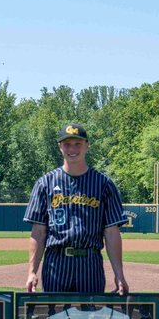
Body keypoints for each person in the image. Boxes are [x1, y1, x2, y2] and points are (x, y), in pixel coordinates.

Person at [24, 123, 129, 294]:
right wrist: (31, 272)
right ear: (60, 147)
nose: (72, 149)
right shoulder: (45, 183)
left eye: (77, 144)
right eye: (67, 144)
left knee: (90, 312)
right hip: (56, 263)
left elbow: (111, 233)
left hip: (90, 263)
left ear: (87, 145)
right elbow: (38, 232)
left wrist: (119, 274)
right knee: (55, 311)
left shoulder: (103, 184)